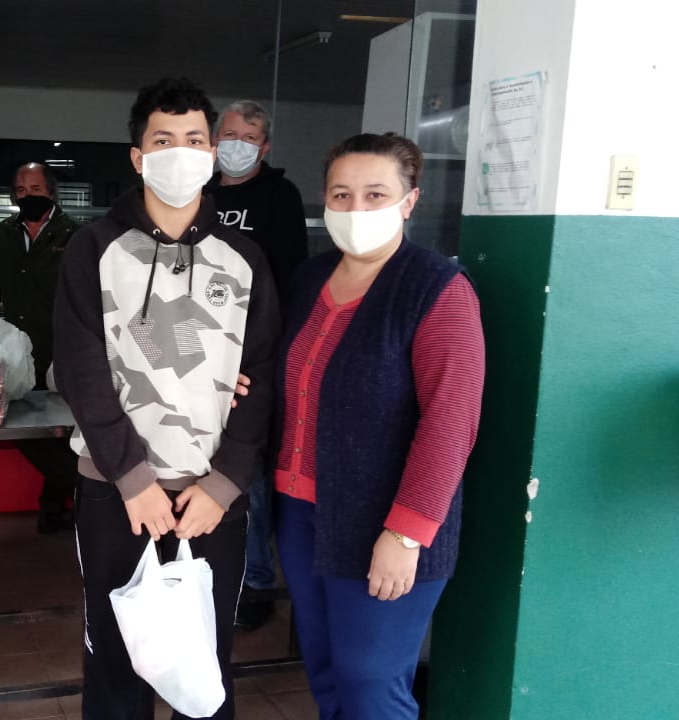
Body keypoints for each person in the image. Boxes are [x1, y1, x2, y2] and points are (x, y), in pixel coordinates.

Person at [53, 77, 280, 720]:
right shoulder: (94, 249)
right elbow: (81, 372)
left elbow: (262, 376)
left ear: (211, 153)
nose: (180, 152)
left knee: (203, 666)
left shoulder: (244, 258)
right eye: (163, 140)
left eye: (194, 139)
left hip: (212, 498)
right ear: (137, 156)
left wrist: (225, 483)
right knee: (115, 663)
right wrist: (133, 479)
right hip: (116, 493)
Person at [273, 132, 484, 720]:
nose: (356, 208)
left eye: (375, 194)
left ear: (409, 201)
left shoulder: (435, 289)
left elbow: (450, 422)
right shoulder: (308, 280)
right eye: (341, 194)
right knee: (326, 670)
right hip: (301, 513)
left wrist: (406, 534)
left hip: (385, 524)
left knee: (371, 684)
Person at [204, 99, 309, 631]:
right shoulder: (200, 191)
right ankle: (209, 571)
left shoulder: (279, 197)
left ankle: (257, 581)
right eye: (229, 134)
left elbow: (289, 281)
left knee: (249, 472)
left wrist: (265, 357)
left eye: (249, 137)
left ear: (264, 147)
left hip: (252, 357)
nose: (237, 145)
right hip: (196, 352)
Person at [0, 161, 82, 533]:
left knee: (62, 430)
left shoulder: (74, 235)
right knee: (21, 426)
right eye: (20, 190)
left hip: (61, 352)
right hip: (14, 354)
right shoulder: (3, 234)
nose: (27, 196)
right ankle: (81, 490)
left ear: (50, 191)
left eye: (35, 189)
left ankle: (53, 508)